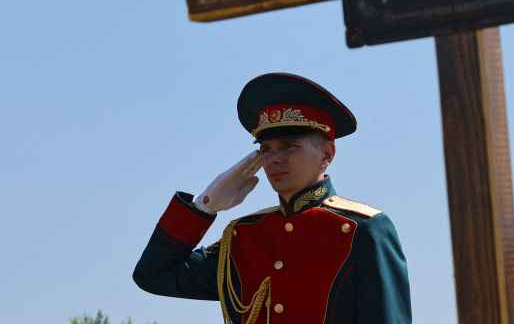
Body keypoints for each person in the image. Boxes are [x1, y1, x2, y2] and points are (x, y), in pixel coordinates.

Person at [134, 72, 412, 323]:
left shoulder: (361, 229)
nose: (275, 159)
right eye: (266, 149)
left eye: (289, 146)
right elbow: (153, 276)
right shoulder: (244, 237)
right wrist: (203, 206)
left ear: (327, 154)